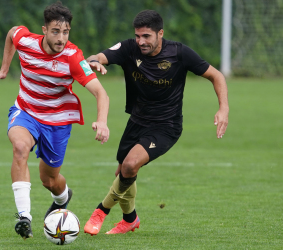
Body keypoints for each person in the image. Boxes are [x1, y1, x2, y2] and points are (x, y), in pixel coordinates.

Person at [83, 10, 229, 235]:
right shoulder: (129, 48)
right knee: (122, 173)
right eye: (138, 36)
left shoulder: (180, 53)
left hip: (166, 126)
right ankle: (130, 219)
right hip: (137, 121)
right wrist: (93, 63)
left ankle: (100, 212)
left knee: (130, 165)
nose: (141, 41)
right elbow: (96, 57)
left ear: (160, 33)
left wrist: (223, 108)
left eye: (147, 36)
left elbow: (216, 75)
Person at [0, 2, 110, 239]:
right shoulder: (27, 41)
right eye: (55, 31)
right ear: (44, 30)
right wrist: (4, 69)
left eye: (65, 32)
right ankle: (24, 217)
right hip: (27, 111)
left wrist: (102, 121)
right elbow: (13, 33)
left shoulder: (74, 57)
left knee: (50, 179)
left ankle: (62, 198)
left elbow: (101, 93)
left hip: (58, 120)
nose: (61, 38)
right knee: (20, 148)